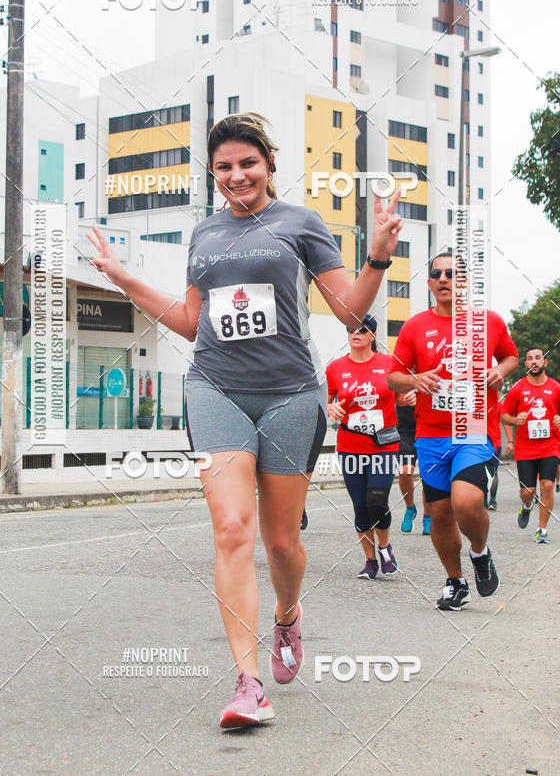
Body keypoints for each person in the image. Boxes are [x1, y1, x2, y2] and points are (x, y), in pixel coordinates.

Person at [87, 112, 403, 729]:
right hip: (215, 389)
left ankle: (288, 614)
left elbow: (349, 312)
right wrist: (125, 279)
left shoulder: (300, 224)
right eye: (225, 166)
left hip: (289, 395)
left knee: (281, 541)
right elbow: (189, 321)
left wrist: (378, 258)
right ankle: (248, 683)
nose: (237, 175)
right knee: (232, 527)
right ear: (213, 173)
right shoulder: (202, 235)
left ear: (269, 165)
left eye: (248, 164)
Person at [387, 254, 518, 610]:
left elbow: (510, 355)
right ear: (429, 284)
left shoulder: (487, 322)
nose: (444, 278)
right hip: (430, 434)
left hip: (475, 427)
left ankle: (480, 551)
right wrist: (415, 379)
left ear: (464, 282)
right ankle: (455, 582)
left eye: (452, 273)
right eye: (436, 274)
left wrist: (500, 371)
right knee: (441, 512)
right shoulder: (415, 326)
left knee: (467, 501)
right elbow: (392, 376)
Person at [326, 315, 414, 579]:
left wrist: (407, 397)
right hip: (350, 445)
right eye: (351, 328)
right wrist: (330, 406)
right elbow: (326, 398)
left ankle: (385, 548)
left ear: (373, 335)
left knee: (377, 500)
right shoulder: (336, 367)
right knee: (360, 507)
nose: (356, 333)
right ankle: (370, 560)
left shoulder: (389, 364)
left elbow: (401, 394)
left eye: (362, 329)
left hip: (383, 444)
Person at [501, 348, 560, 543]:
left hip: (550, 445)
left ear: (546, 362)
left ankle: (542, 530)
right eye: (530, 359)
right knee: (528, 492)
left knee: (548, 485)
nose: (534, 361)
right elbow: (504, 415)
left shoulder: (556, 388)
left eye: (538, 358)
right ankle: (527, 506)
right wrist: (516, 420)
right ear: (525, 364)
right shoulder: (517, 388)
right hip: (526, 448)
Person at [396, 392, 431, 535]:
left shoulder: (431, 372)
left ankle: (428, 517)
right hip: (404, 431)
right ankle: (410, 508)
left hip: (428, 429)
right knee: (405, 470)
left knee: (428, 475)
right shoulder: (401, 373)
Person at [484, 397, 514, 511]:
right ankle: (492, 500)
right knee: (493, 472)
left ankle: (485, 501)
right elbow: (506, 424)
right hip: (494, 443)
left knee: (482, 472)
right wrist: (510, 442)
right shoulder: (498, 404)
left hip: (479, 442)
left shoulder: (474, 402)